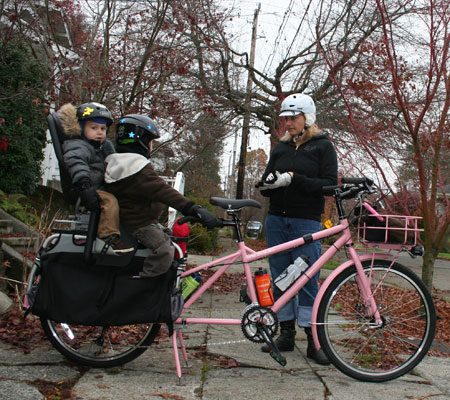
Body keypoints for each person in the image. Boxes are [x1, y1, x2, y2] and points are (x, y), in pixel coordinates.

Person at [257, 93, 337, 364]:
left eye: (293, 118)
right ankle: (286, 333)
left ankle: (313, 340)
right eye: (285, 118)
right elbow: (267, 180)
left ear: (307, 118)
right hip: (277, 219)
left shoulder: (322, 146)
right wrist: (267, 184)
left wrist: (295, 179)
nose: (287, 123)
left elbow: (328, 185)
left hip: (306, 221)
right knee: (280, 277)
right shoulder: (280, 147)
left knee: (306, 280)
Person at [104, 114, 221, 278]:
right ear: (142, 141)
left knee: (169, 238)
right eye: (150, 142)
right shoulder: (137, 169)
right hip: (139, 224)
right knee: (165, 250)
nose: (151, 146)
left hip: (135, 221)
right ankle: (145, 284)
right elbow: (163, 191)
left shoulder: (118, 163)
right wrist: (193, 209)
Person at [58, 102, 133, 254]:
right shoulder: (78, 145)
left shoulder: (103, 147)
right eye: (94, 128)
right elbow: (76, 164)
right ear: (80, 128)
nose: (99, 132)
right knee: (109, 201)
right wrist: (84, 185)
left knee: (128, 198)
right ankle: (107, 237)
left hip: (99, 186)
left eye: (103, 128)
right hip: (84, 188)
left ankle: (132, 233)